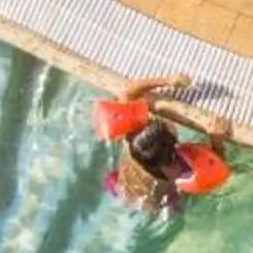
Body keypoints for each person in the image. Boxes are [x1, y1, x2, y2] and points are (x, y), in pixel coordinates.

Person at [95, 76, 235, 216]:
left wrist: (167, 81)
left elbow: (127, 95)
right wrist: (216, 141)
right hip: (156, 201)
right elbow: (215, 170)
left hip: (117, 183)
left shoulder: (135, 140)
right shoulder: (170, 171)